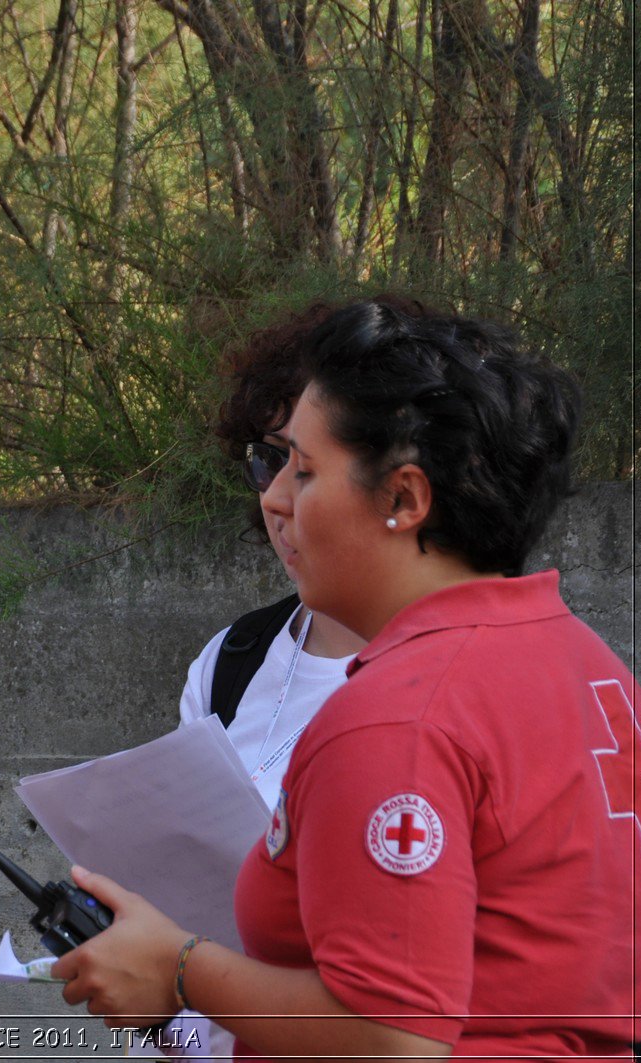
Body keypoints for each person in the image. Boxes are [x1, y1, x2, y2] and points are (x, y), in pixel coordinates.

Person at [55, 299, 641, 1056]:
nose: (276, 498)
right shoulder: (596, 673)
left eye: (305, 471)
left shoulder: (397, 714)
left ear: (404, 499)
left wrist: (179, 969)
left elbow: (395, 1036)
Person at [165, 304, 368, 1059]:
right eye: (267, 460)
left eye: (306, 466)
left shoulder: (440, 687)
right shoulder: (232, 659)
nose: (278, 498)